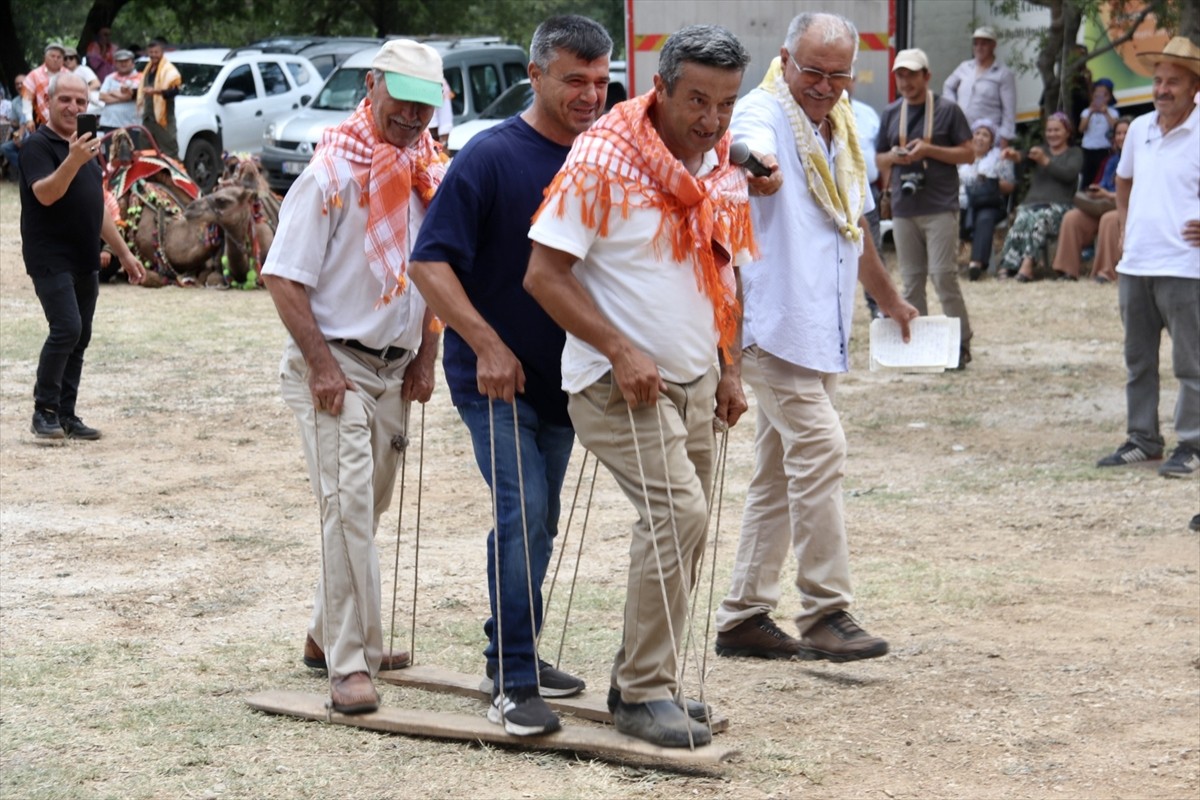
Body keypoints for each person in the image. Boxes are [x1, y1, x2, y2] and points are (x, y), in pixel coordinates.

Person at [524, 24, 753, 748]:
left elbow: (725, 271)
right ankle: (642, 693)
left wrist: (731, 367)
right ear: (662, 90)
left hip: (695, 380)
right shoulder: (601, 159)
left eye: (725, 103)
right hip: (615, 384)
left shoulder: (717, 163)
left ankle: (648, 682)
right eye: (697, 101)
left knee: (685, 530)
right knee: (678, 515)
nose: (712, 120)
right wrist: (620, 350)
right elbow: (543, 274)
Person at [409, 14, 612, 737]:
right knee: (521, 512)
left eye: (600, 81)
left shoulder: (603, 158)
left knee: (540, 520)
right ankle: (517, 685)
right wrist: (486, 344)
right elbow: (428, 263)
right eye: (573, 81)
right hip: (492, 381)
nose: (591, 95)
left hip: (570, 381)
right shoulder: (489, 157)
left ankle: (508, 652)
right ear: (535, 75)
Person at [711, 12, 917, 665]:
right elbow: (737, 145)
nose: (823, 86)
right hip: (771, 326)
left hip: (820, 327)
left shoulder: (848, 128)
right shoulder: (764, 110)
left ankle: (743, 614)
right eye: (812, 71)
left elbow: (851, 227)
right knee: (822, 447)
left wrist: (888, 299)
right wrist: (755, 165)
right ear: (785, 58)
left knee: (778, 473)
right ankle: (826, 608)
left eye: (837, 75)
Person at [260, 39, 447, 715]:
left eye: (425, 106)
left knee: (362, 511)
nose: (412, 117)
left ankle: (324, 636)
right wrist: (319, 367)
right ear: (371, 86)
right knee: (350, 512)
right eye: (402, 102)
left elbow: (434, 276)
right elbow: (281, 277)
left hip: (393, 369)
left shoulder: (429, 170)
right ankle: (349, 661)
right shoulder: (331, 171)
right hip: (334, 364)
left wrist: (427, 357)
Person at [21, 72, 146, 441]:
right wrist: (73, 160)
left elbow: (98, 207)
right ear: (48, 102)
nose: (73, 107)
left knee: (81, 335)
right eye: (65, 100)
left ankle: (66, 414)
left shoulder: (88, 149)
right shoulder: (37, 146)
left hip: (85, 255)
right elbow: (45, 194)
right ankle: (43, 411)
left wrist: (124, 253)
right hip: (50, 255)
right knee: (67, 328)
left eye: (81, 102)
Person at [1095, 36, 1199, 478]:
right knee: (1138, 360)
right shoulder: (1139, 129)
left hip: (1186, 266)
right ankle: (1143, 440)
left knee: (1191, 364)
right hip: (1137, 263)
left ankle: (1192, 445)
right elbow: (1124, 181)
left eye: (1173, 81)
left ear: (1195, 87)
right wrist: (1124, 224)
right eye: (1157, 80)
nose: (1162, 89)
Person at [876, 48, 975, 366]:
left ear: (926, 76)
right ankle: (920, 346)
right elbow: (878, 161)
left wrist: (929, 151)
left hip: (940, 205)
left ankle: (960, 345)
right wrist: (896, 156)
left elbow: (969, 153)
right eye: (900, 75)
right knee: (912, 279)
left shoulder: (948, 110)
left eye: (911, 74)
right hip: (905, 206)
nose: (905, 81)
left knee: (944, 277)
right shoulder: (892, 113)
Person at [996, 112, 1083, 282]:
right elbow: (1023, 156)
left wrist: (1046, 162)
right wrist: (1014, 156)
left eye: (1057, 130)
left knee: (1040, 220)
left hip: (1059, 207)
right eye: (1049, 130)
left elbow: (1069, 174)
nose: (1052, 134)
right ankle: (1008, 267)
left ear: (1067, 132)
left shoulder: (1074, 153)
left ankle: (1027, 267)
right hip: (1032, 204)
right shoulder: (1040, 150)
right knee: (1021, 220)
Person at [1053, 116, 1131, 283]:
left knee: (1109, 220)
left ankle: (1106, 273)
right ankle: (1067, 271)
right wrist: (1095, 192)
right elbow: (1100, 183)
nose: (1121, 137)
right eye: (1118, 133)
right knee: (1072, 217)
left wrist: (1109, 195)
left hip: (1127, 209)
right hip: (1103, 205)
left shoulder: (1143, 160)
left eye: (1126, 133)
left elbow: (1141, 194)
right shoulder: (1110, 161)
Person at [957, 117, 1015, 281]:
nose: (980, 138)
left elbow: (1010, 186)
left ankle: (976, 264)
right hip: (961, 202)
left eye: (985, 135)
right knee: (948, 214)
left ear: (991, 142)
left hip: (990, 203)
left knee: (984, 217)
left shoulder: (1000, 159)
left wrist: (990, 181)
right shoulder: (960, 159)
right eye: (977, 133)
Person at [943, 26, 1017, 147]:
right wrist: (954, 108)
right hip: (961, 132)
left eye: (984, 44)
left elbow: (1009, 111)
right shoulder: (965, 67)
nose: (979, 48)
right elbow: (948, 86)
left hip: (988, 137)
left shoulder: (1003, 74)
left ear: (993, 45)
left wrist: (1005, 137)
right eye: (976, 44)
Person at [849, 75, 884, 318]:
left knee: (872, 248)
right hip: (835, 192)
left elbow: (882, 152)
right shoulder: (817, 115)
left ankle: (878, 306)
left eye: (849, 77)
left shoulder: (867, 114)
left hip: (867, 191)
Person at [137, 38, 182, 160]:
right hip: (148, 118)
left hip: (163, 119)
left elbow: (175, 90)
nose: (153, 55)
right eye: (151, 52)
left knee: (169, 151)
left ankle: (174, 177)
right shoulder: (148, 69)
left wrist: (156, 92)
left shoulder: (169, 69)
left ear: (162, 52)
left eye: (156, 52)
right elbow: (143, 90)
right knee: (147, 152)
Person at [1080, 77, 1119, 185]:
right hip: (1088, 149)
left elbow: (1115, 127)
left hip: (1104, 149)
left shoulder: (1112, 112)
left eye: (1104, 95)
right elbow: (1081, 129)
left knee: (1102, 175)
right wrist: (1091, 113)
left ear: (1109, 97)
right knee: (1087, 177)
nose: (1100, 98)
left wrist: (1106, 113)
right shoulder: (1086, 112)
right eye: (1097, 95)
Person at [22, 44, 67, 133]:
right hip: (44, 122)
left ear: (62, 60)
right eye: (52, 56)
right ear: (45, 58)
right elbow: (27, 98)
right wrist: (29, 119)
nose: (55, 59)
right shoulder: (35, 75)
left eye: (59, 57)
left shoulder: (69, 75)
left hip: (66, 119)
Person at [98, 50, 140, 132]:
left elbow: (132, 95)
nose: (123, 64)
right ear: (115, 64)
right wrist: (124, 97)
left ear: (132, 63)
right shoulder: (110, 78)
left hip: (132, 124)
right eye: (120, 61)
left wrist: (112, 93)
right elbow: (102, 96)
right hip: (110, 123)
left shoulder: (139, 77)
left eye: (126, 61)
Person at [63, 48, 102, 114]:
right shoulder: (63, 73)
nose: (68, 60)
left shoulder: (83, 69)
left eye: (71, 58)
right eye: (65, 58)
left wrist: (83, 91)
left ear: (76, 59)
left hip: (88, 99)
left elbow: (96, 83)